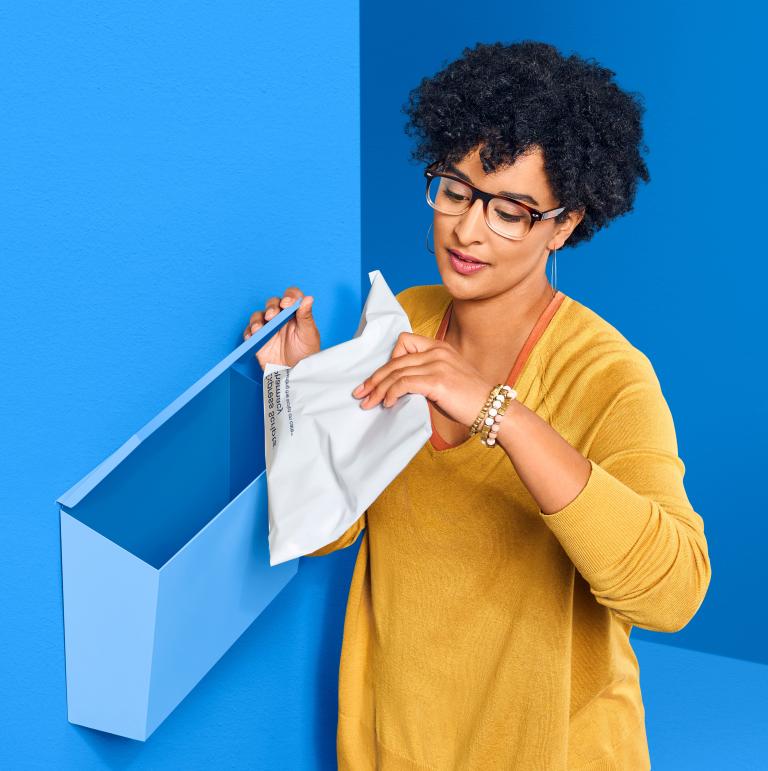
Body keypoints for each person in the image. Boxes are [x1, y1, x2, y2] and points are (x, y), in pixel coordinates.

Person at [243, 40, 711, 770]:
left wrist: (498, 412)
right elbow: (330, 528)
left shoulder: (608, 376)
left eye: (511, 211)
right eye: (457, 191)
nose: (466, 230)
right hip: (396, 746)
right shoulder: (406, 318)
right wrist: (299, 385)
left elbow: (672, 594)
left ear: (564, 225)